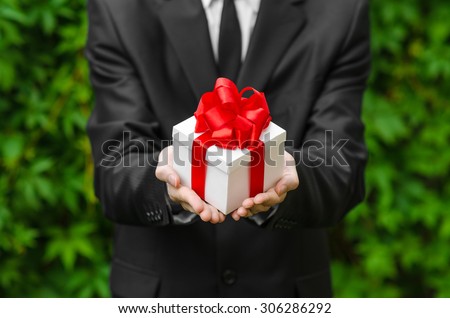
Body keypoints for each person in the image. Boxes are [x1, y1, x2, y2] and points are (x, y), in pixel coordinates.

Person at [86, 0, 370, 297]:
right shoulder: (119, 7)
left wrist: (283, 175)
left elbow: (341, 164)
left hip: (283, 291)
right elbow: (115, 162)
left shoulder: (340, 10)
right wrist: (166, 182)